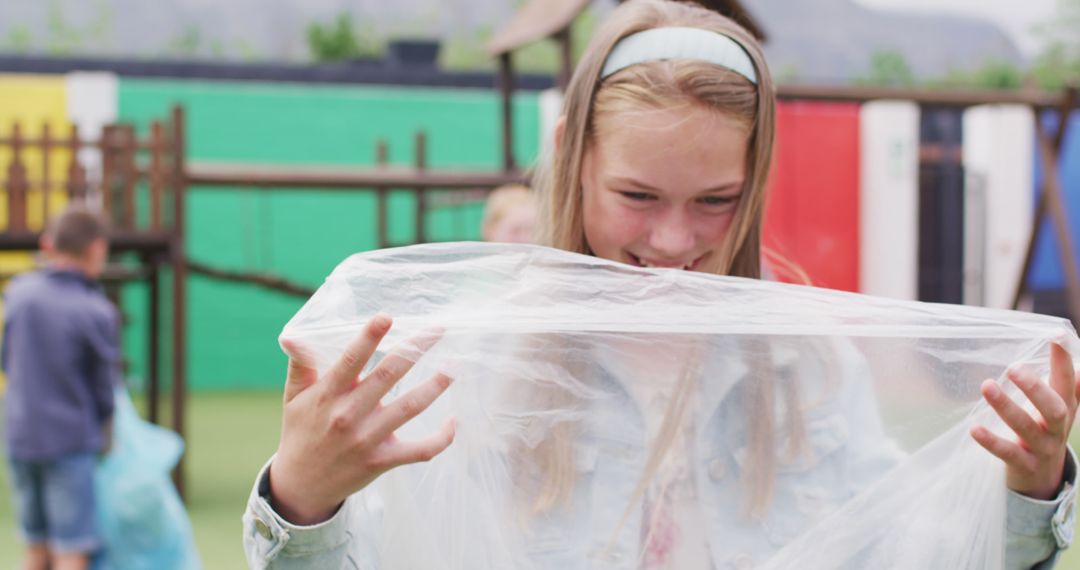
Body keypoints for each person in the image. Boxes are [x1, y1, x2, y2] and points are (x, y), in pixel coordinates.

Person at [244, 1, 1079, 568]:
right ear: (574, 153)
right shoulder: (467, 367)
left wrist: (1023, 492)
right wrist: (305, 499)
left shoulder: (812, 367)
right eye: (637, 196)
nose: (675, 242)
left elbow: (910, 550)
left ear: (755, 178)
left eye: (716, 201)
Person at [3, 205, 118, 570]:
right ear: (97, 249)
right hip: (69, 441)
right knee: (71, 548)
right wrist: (107, 434)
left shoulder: (18, 293)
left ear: (48, 244)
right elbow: (104, 389)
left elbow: (6, 357)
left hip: (19, 435)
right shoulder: (95, 309)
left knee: (36, 547)